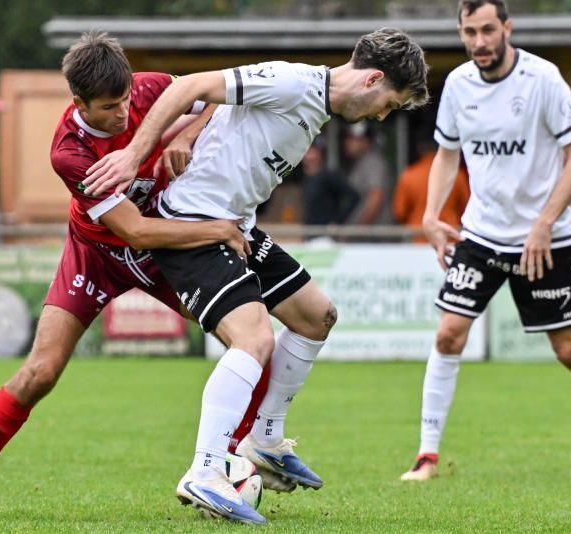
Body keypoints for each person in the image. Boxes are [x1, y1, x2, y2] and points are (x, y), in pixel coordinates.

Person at [83, 28, 428, 524]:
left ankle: (264, 438)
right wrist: (135, 154)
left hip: (236, 227)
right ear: (373, 78)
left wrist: (190, 132)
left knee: (317, 316)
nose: (382, 116)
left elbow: (220, 104)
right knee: (253, 340)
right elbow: (190, 87)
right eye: (389, 104)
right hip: (193, 225)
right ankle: (204, 471)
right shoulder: (292, 82)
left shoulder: (314, 103)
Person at [0, 32, 251, 522]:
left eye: (125, 100)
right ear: (78, 101)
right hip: (100, 254)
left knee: (249, 338)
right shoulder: (69, 152)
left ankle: (232, 464)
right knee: (40, 373)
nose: (124, 113)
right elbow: (133, 230)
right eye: (109, 107)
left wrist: (186, 133)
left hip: (161, 251)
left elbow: (210, 95)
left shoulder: (145, 88)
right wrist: (219, 230)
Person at [400, 0, 571, 482]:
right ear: (462, 32)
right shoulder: (459, 86)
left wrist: (544, 223)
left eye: (488, 30)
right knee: (449, 333)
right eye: (470, 32)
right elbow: (447, 155)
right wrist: (430, 214)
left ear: (507, 28)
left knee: (569, 350)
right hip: (482, 234)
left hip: (545, 239)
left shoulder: (543, 79)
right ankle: (426, 456)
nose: (480, 42)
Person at [392, 137, 470, 242]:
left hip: (418, 238)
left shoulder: (409, 175)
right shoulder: (457, 175)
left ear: (420, 149)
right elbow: (467, 207)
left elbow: (400, 212)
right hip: (450, 237)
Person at [343, 122, 394, 225]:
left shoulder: (373, 161)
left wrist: (360, 229)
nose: (349, 142)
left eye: (355, 139)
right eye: (349, 138)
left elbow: (376, 197)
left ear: (367, 142)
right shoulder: (360, 163)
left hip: (376, 235)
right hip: (365, 236)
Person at [301, 140, 360, 226]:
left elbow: (353, 196)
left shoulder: (328, 176)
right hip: (310, 232)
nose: (308, 156)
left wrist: (337, 220)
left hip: (325, 234)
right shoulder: (308, 178)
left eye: (312, 151)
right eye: (306, 151)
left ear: (320, 154)